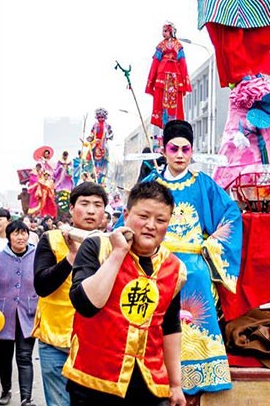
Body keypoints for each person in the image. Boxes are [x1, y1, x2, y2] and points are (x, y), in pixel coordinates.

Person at [130, 119, 242, 398]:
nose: (180, 154)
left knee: (199, 299)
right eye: (174, 148)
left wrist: (211, 245)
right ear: (163, 150)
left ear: (192, 151)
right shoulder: (150, 184)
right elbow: (129, 217)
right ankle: (151, 371)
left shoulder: (203, 184)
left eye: (185, 149)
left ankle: (201, 372)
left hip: (193, 265)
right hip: (156, 264)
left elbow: (231, 215)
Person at [63, 181, 188, 406]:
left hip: (150, 384)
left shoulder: (174, 268)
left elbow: (170, 327)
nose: (151, 225)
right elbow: (87, 305)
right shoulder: (98, 247)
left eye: (160, 220)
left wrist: (175, 384)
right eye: (144, 216)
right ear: (126, 214)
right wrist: (119, 252)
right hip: (93, 382)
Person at [32, 182, 109, 406]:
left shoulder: (114, 244)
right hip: (55, 341)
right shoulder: (52, 239)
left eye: (98, 204)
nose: (91, 210)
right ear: (72, 208)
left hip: (95, 343)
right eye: (84, 204)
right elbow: (42, 286)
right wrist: (71, 259)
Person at [0, 219, 40, 406]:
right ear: (9, 236)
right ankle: (6, 390)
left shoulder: (36, 256)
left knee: (24, 356)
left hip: (28, 314)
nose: (21, 237)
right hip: (3, 316)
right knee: (4, 357)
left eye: (23, 233)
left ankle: (26, 398)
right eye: (16, 233)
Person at [146, 21, 192, 128]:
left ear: (171, 31)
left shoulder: (177, 45)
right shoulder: (162, 46)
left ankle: (172, 126)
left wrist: (185, 80)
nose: (163, 33)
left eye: (166, 31)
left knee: (174, 104)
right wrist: (151, 80)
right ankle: (165, 126)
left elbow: (183, 63)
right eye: (163, 31)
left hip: (174, 77)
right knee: (162, 103)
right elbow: (155, 63)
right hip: (163, 76)